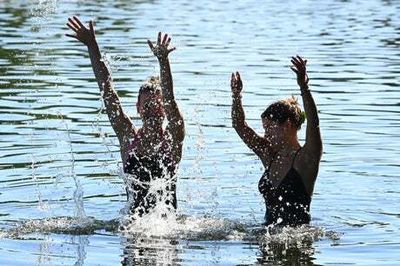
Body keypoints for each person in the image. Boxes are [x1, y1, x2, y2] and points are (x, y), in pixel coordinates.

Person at [66, 16, 185, 217]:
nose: (152, 110)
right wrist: (92, 46)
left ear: (163, 109)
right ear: (138, 108)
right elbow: (107, 92)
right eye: (146, 105)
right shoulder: (128, 136)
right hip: (132, 227)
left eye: (157, 105)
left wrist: (163, 61)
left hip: (169, 228)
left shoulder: (173, 137)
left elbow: (171, 101)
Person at [231, 56, 322, 226]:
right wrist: (236, 97)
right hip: (266, 239)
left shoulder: (306, 159)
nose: (265, 134)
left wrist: (304, 87)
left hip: (297, 238)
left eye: (269, 128)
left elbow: (314, 123)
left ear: (287, 125)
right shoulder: (268, 154)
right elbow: (239, 126)